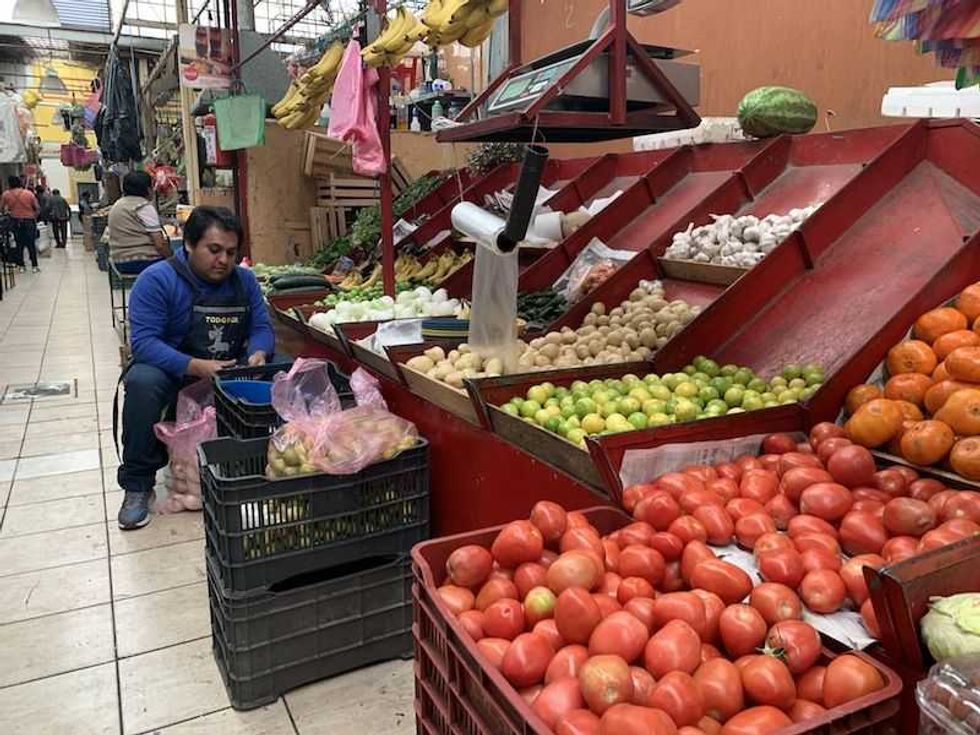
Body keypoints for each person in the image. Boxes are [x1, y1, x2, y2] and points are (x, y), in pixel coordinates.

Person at [116, 205, 274, 529]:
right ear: (188, 244)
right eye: (214, 250)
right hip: (174, 372)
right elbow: (144, 343)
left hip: (226, 371)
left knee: (285, 372)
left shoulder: (244, 281)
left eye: (231, 252)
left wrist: (259, 352)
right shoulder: (157, 280)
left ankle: (268, 467)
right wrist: (196, 366)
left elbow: (261, 327)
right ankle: (137, 483)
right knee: (143, 382)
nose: (224, 261)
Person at [107, 171, 169, 274]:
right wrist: (172, 259)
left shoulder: (118, 205)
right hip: (142, 261)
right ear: (148, 189)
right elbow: (160, 245)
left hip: (119, 261)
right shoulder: (143, 207)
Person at [0, 176, 40, 273]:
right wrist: (34, 216)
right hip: (29, 220)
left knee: (19, 244)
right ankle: (34, 266)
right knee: (31, 244)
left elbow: (1, 209)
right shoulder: (28, 194)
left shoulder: (6, 194)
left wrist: (9, 212)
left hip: (15, 220)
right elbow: (37, 208)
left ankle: (21, 266)